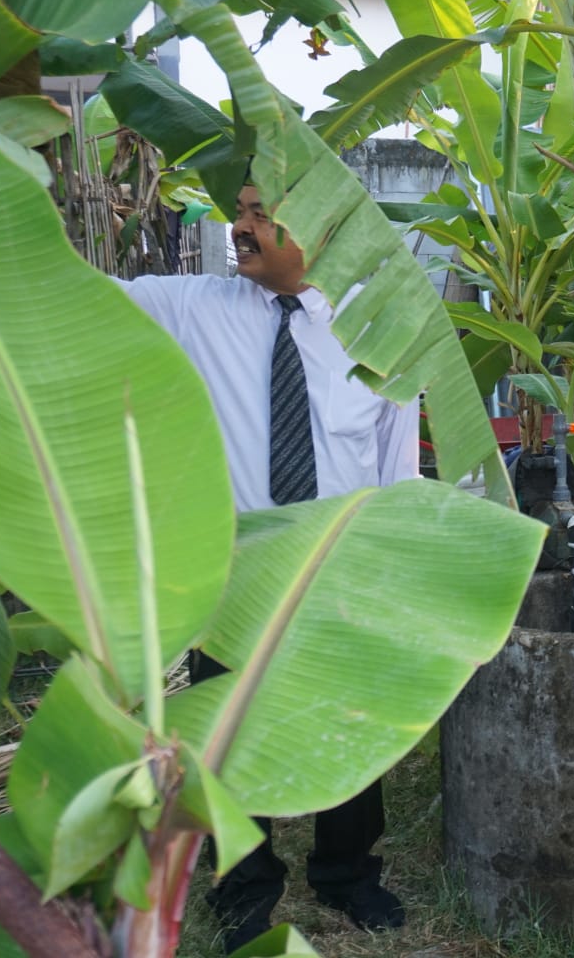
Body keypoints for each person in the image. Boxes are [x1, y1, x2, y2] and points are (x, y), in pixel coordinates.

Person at [118, 184, 417, 953]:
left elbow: (396, 468)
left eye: (257, 214)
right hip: (234, 574)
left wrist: (387, 574)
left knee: (345, 729)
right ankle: (244, 888)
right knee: (230, 732)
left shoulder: (378, 329)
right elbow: (67, 287)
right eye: (239, 211)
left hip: (339, 567)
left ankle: (348, 874)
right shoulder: (192, 307)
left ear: (315, 226)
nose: (238, 228)